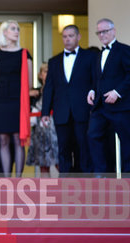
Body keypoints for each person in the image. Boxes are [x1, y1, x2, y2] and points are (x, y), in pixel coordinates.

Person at [42, 25, 97, 174]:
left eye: (71, 36)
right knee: (63, 148)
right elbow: (49, 88)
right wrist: (45, 112)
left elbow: (95, 81)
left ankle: (85, 183)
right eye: (65, 36)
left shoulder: (90, 57)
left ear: (78, 37)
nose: (67, 39)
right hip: (61, 111)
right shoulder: (54, 61)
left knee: (83, 147)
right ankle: (64, 185)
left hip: (82, 110)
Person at [87, 18, 130, 174]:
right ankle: (101, 173)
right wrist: (92, 90)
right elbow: (98, 79)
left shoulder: (124, 50)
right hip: (101, 106)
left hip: (120, 106)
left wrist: (118, 92)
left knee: (126, 141)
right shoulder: (98, 54)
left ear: (113, 31)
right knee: (93, 135)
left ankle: (128, 175)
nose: (102, 35)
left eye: (105, 31)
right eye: (99, 32)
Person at [0, 20, 32, 177]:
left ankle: (18, 179)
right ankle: (7, 179)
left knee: (17, 138)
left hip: (18, 101)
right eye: (13, 28)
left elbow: (29, 83)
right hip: (0, 101)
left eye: (18, 29)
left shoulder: (25, 54)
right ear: (4, 32)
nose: (16, 31)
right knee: (3, 139)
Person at [26, 63, 59, 177]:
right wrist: (28, 94)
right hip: (39, 132)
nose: (47, 74)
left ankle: (64, 189)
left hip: (55, 130)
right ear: (40, 75)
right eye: (44, 71)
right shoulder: (34, 92)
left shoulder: (58, 89)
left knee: (59, 162)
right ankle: (46, 192)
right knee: (42, 164)